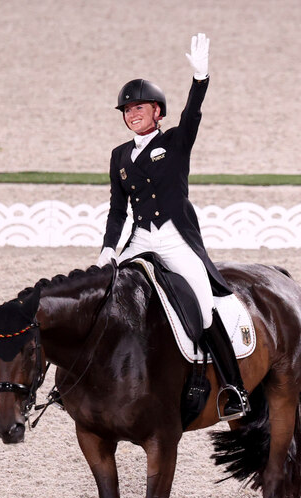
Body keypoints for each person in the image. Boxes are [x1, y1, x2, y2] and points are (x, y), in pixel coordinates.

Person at [95, 33, 249, 421]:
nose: (133, 114)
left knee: (204, 306)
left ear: (158, 112)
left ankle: (234, 389)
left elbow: (193, 114)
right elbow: (118, 209)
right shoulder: (119, 156)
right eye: (127, 110)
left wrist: (201, 79)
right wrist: (109, 249)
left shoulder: (177, 142)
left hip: (176, 239)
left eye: (140, 107)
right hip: (141, 237)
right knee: (103, 298)